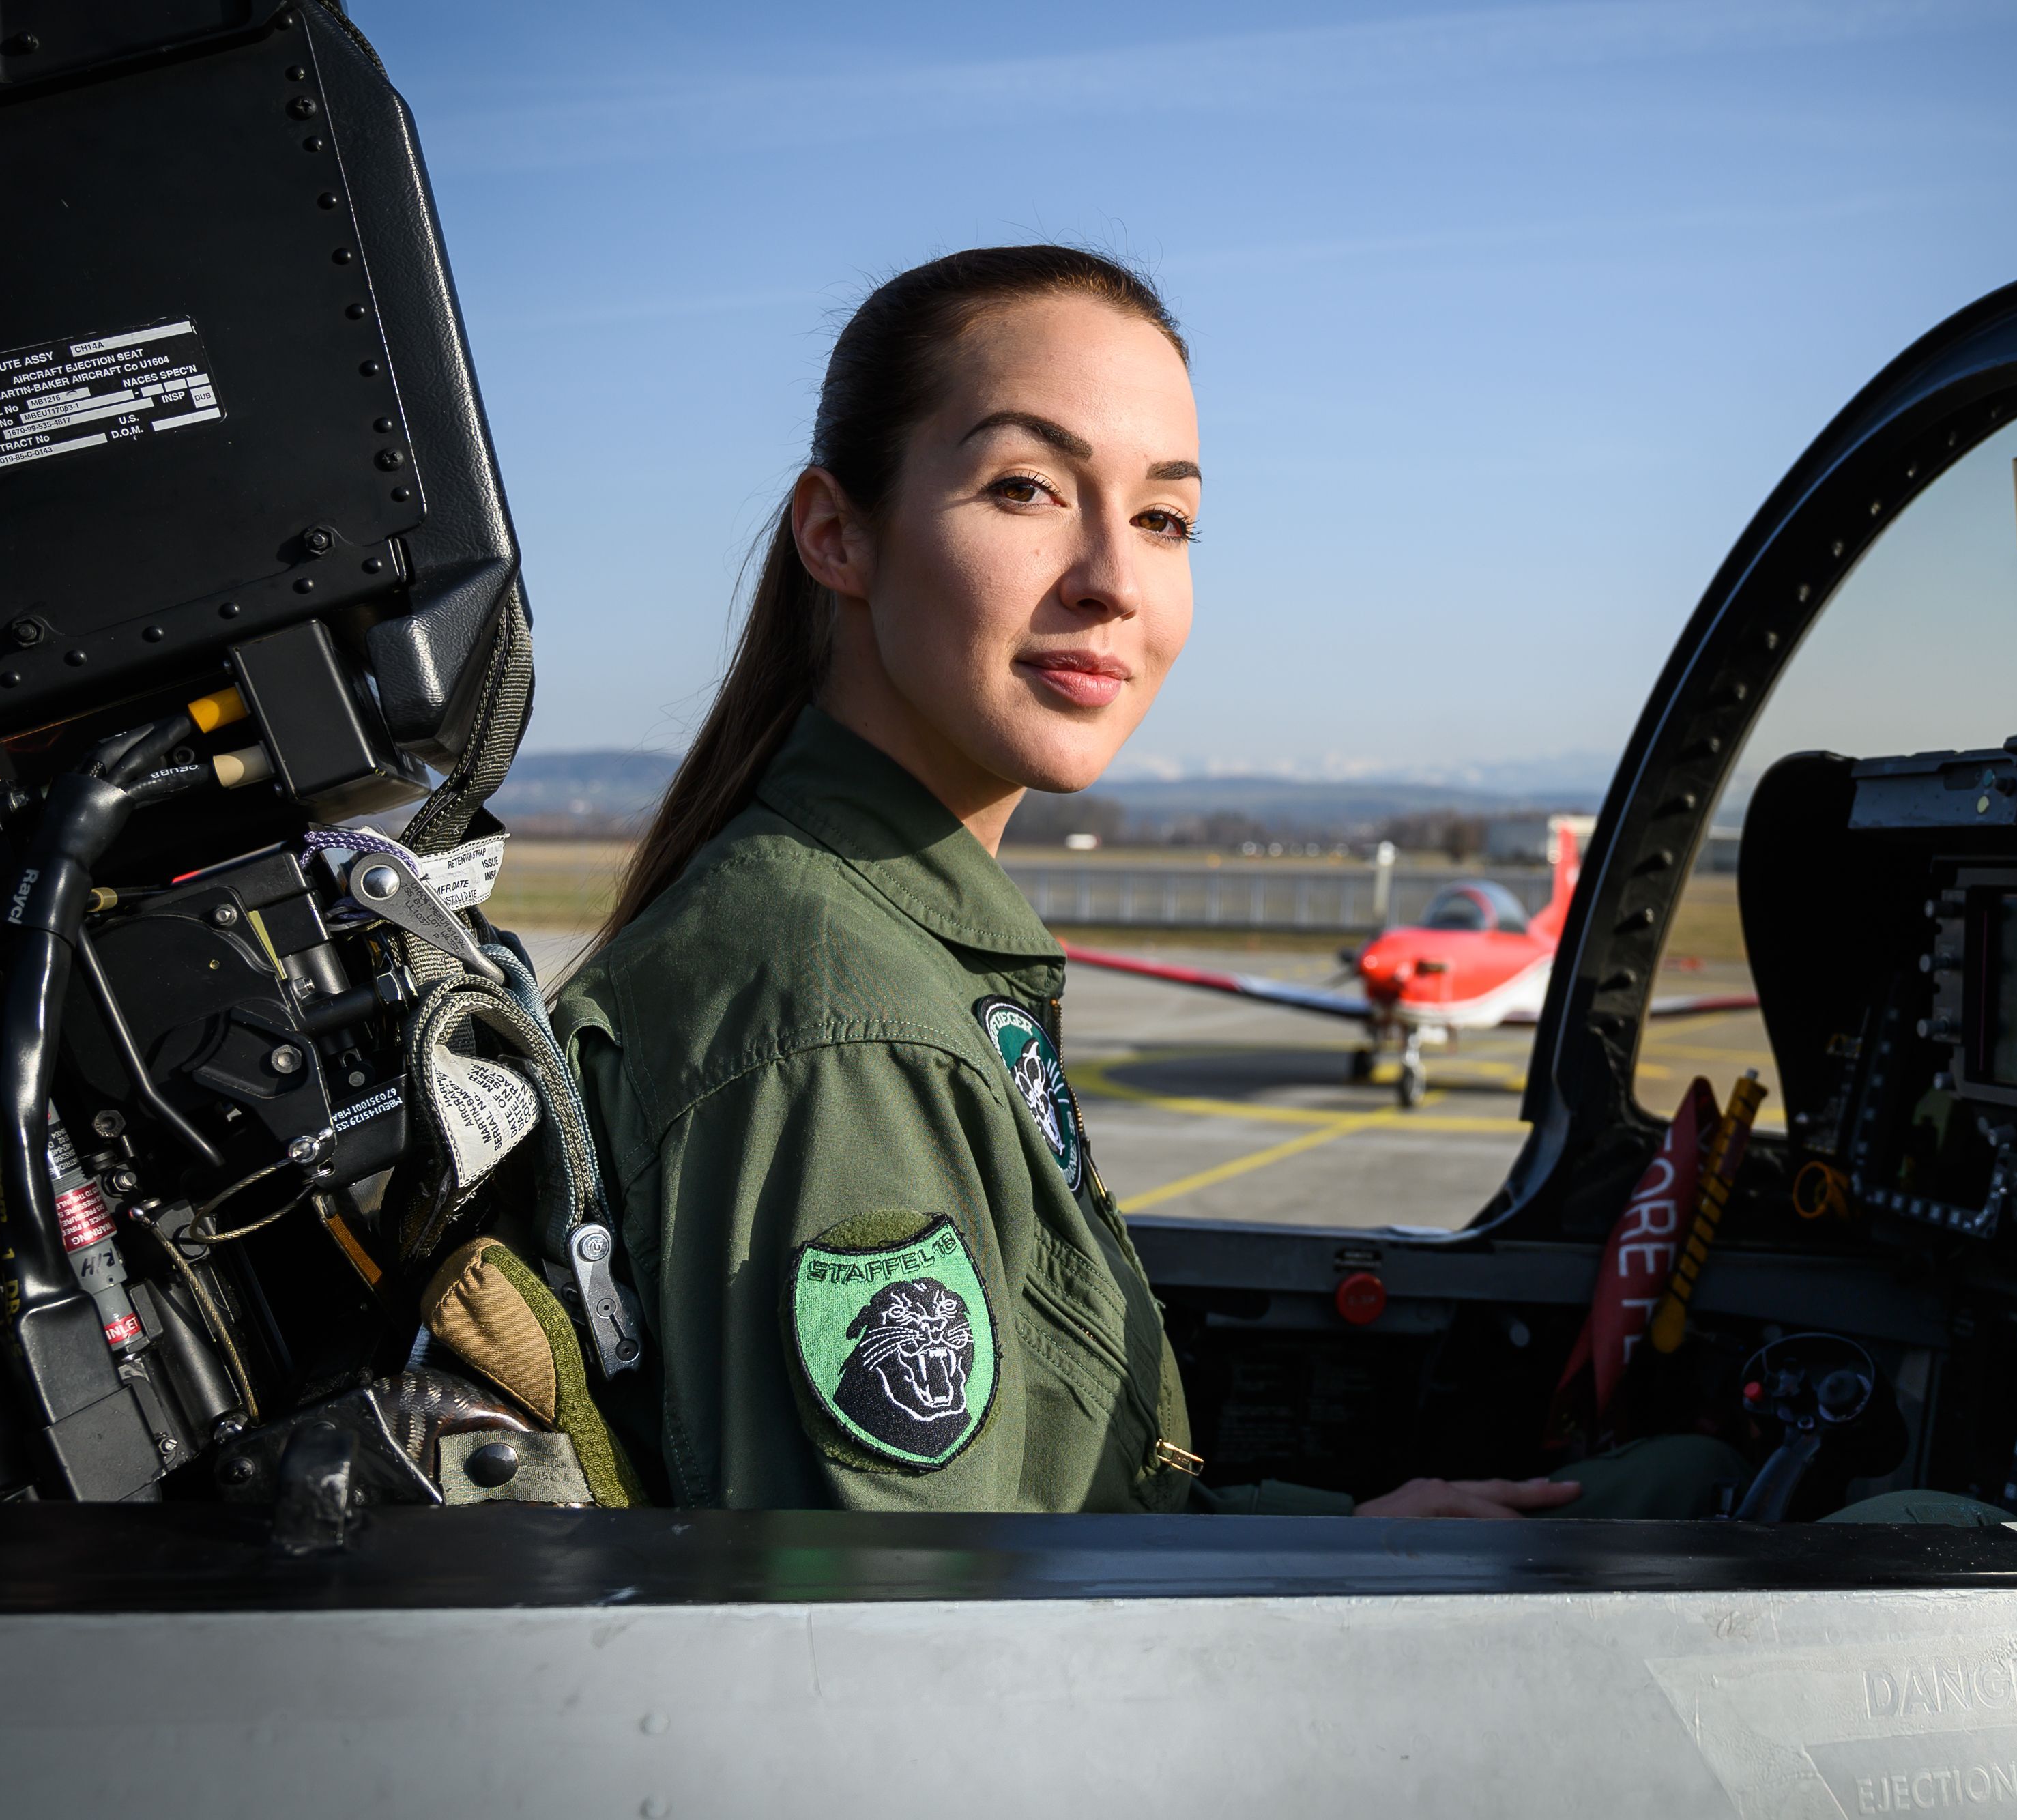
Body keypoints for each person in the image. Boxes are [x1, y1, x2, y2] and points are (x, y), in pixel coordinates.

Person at [554, 246, 1737, 1518]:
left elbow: (1068, 1533)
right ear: (838, 534)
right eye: (1026, 489)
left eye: (1165, 518)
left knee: (1697, 1478)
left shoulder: (877, 943)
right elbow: (903, 1664)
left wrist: (1352, 1543)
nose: (1115, 580)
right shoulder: (849, 1028)